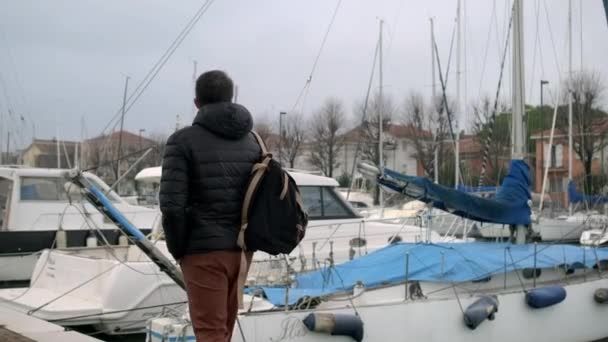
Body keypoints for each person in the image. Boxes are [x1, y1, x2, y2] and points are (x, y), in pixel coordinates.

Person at [159, 70, 259, 342]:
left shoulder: (182, 141)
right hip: (241, 250)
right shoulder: (253, 141)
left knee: (210, 332)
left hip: (203, 250)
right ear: (231, 98)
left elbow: (171, 206)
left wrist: (179, 248)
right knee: (223, 327)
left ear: (196, 103)